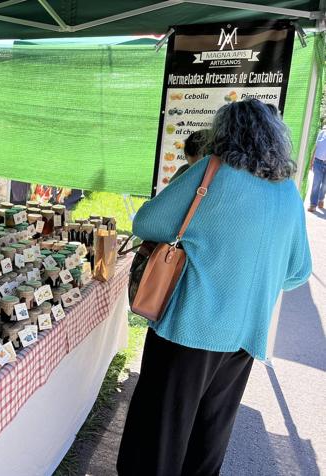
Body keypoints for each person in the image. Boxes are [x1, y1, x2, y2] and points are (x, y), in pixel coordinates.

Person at [117, 99, 311, 476]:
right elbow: (298, 271)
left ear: (226, 133)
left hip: (191, 328)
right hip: (244, 336)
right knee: (209, 437)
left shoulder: (213, 170)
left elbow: (148, 222)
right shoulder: (287, 192)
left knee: (159, 435)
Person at [308, 125, 326, 212]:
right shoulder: (321, 133)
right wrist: (312, 160)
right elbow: (316, 147)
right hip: (318, 162)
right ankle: (313, 204)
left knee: (325, 185)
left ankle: (321, 199)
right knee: (316, 183)